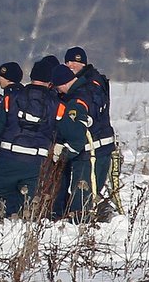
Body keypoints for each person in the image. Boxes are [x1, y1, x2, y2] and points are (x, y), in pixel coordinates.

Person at [0, 61, 58, 222]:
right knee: (26, 197)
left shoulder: (11, 98)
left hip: (8, 156)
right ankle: (21, 216)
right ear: (50, 82)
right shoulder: (56, 104)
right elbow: (63, 130)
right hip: (37, 161)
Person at [64, 46, 117, 220]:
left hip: (92, 147)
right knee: (91, 190)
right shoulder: (92, 81)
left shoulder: (87, 87)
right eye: (68, 61)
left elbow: (87, 114)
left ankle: (86, 221)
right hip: (101, 144)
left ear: (84, 63)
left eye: (76, 62)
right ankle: (99, 212)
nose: (71, 65)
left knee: (83, 193)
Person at [49, 64, 94, 223]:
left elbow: (77, 138)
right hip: (95, 149)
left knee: (81, 191)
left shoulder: (76, 100)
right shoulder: (86, 89)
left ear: (63, 83)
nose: (59, 91)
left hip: (85, 154)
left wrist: (64, 154)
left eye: (58, 87)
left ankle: (80, 222)